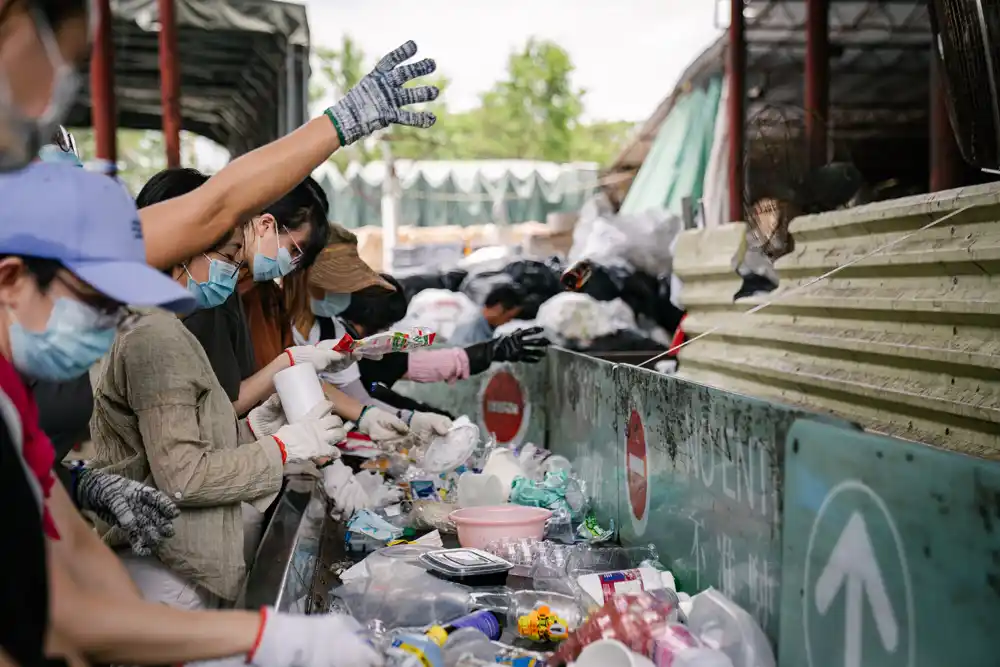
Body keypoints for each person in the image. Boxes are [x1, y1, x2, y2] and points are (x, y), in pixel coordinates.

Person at [0, 162, 382, 667]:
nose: (106, 324)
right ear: (11, 279)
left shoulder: (19, 397)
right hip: (162, 569)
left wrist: (248, 430)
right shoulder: (153, 337)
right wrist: (265, 635)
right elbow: (67, 612)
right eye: (93, 301)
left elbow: (75, 562)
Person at [284, 241, 450, 445]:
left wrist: (410, 419)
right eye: (341, 284)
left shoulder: (332, 330)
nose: (347, 292)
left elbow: (357, 399)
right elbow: (295, 383)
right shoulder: (274, 323)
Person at [449, 284, 526, 346]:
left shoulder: (488, 326)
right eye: (509, 317)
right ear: (498, 308)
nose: (509, 321)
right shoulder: (468, 330)